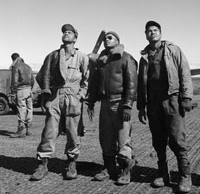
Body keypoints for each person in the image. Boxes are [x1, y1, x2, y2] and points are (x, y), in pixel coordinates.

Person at [137, 21, 193, 192]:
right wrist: (141, 106)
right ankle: (163, 174)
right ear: (146, 35)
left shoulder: (173, 50)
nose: (152, 33)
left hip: (172, 100)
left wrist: (187, 97)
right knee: (158, 140)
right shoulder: (144, 57)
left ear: (160, 33)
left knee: (177, 139)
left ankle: (185, 176)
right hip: (153, 103)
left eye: (155, 30)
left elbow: (184, 72)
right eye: (149, 31)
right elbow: (141, 84)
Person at [30, 24, 89, 181]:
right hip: (55, 97)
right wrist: (46, 95)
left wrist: (81, 95)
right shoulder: (53, 56)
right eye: (64, 32)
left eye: (70, 32)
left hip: (73, 98)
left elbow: (88, 79)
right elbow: (44, 75)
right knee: (49, 131)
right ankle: (42, 164)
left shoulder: (82, 57)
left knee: (73, 132)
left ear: (75, 38)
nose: (66, 34)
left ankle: (71, 163)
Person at [87, 31, 138, 185]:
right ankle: (110, 168)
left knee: (123, 139)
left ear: (117, 41)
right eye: (104, 39)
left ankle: (125, 170)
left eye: (110, 38)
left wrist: (128, 105)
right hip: (104, 104)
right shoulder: (101, 61)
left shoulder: (126, 58)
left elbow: (132, 83)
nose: (106, 40)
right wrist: (90, 102)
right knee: (106, 138)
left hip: (121, 103)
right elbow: (94, 82)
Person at [10, 53, 34, 138]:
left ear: (13, 59)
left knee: (21, 109)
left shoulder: (16, 67)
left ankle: (21, 130)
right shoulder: (28, 67)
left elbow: (14, 82)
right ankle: (28, 130)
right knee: (29, 109)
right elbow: (32, 80)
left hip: (21, 90)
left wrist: (13, 93)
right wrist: (30, 89)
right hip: (29, 90)